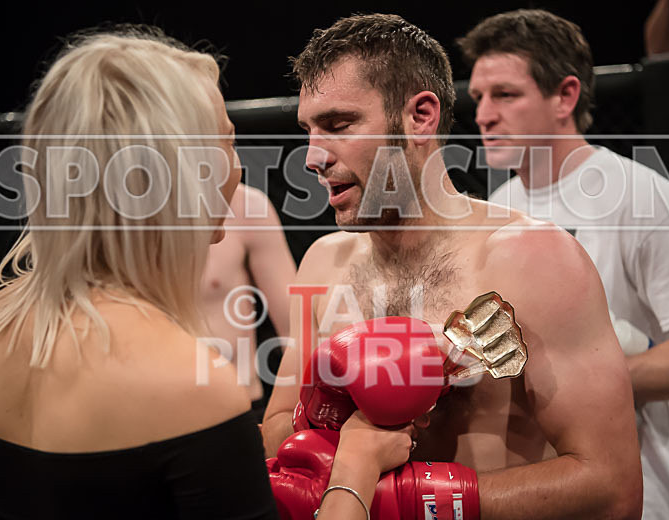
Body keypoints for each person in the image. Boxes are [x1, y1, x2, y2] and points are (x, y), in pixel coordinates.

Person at [0, 27, 407, 520]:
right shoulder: (193, 390)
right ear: (184, 173)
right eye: (228, 143)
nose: (239, 168)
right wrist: (356, 464)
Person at [262, 13, 643, 519]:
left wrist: (421, 500)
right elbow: (277, 434)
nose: (312, 156)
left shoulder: (533, 259)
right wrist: (325, 403)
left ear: (421, 116)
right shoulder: (322, 263)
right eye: (308, 130)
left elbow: (613, 488)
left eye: (338, 125)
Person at [459, 9, 669, 519]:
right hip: (535, 491)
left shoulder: (643, 199)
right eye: (478, 96)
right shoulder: (499, 205)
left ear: (565, 96)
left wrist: (574, 385)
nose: (483, 114)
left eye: (505, 94)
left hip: (641, 497)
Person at [199, 183, 295, 420]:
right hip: (148, 411)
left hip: (241, 407)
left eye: (231, 144)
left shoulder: (246, 207)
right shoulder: (117, 214)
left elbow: (297, 332)